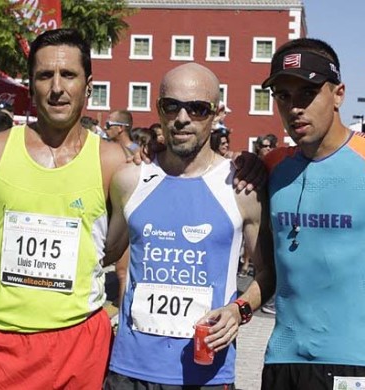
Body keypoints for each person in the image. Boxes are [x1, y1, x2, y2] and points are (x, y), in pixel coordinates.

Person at [0, 29, 125, 390]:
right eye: (44, 75)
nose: (56, 87)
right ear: (30, 85)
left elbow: (122, 253)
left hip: (82, 344)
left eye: (68, 75)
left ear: (88, 85)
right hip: (7, 345)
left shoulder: (111, 161)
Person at [252, 37, 365, 390]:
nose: (294, 108)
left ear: (338, 94)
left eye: (307, 93)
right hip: (282, 364)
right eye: (283, 96)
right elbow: (268, 270)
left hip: (362, 367)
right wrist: (240, 308)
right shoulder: (270, 167)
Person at [103, 62, 274, 388]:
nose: (182, 118)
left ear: (217, 114)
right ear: (159, 110)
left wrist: (239, 311)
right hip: (129, 371)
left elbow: (268, 273)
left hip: (206, 373)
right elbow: (104, 254)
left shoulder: (241, 188)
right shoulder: (129, 179)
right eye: (172, 106)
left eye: (197, 109)